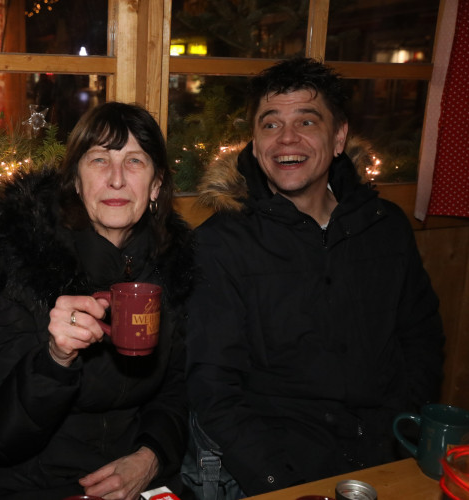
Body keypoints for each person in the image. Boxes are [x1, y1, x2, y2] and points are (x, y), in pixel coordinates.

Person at [184, 57, 444, 498]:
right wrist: (278, 484)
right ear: (254, 140)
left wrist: (402, 432)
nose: (287, 139)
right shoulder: (221, 243)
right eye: (270, 125)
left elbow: (422, 340)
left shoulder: (385, 227)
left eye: (307, 121)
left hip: (386, 455)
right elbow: (213, 388)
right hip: (277, 469)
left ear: (338, 137)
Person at [0, 101, 194, 500]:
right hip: (33, 485)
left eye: (134, 162)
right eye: (99, 160)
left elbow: (175, 390)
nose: (116, 179)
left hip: (137, 479)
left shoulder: (170, 267)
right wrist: (54, 360)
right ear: (76, 183)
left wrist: (150, 456)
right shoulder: (23, 266)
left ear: (157, 185)